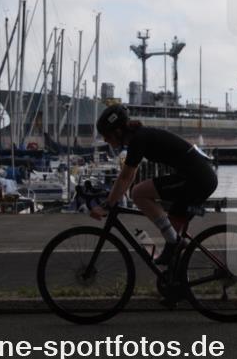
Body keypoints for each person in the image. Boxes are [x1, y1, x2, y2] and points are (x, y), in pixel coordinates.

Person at [90, 103, 217, 266]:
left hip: (196, 180)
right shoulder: (140, 137)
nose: (105, 140)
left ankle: (175, 244)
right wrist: (111, 200)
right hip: (199, 178)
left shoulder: (138, 140)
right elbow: (129, 174)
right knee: (171, 230)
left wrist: (108, 205)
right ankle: (175, 279)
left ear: (118, 132)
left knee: (138, 193)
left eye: (106, 135)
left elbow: (125, 178)